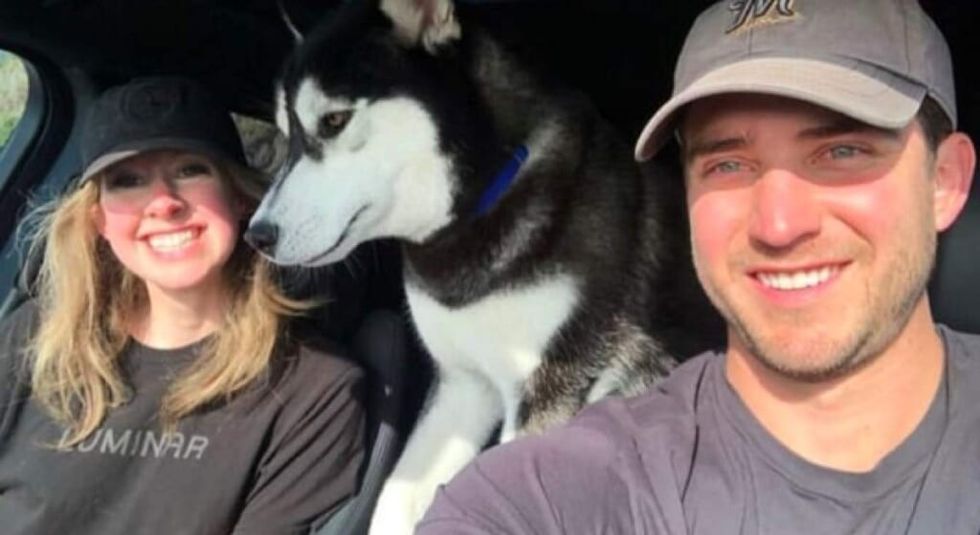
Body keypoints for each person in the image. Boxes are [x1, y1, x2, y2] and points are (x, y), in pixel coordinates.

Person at [416, 0, 979, 533]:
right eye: (729, 163)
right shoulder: (558, 492)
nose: (778, 225)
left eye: (841, 152)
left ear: (944, 181)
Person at [0, 76, 366, 534]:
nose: (164, 204)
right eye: (127, 181)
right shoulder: (32, 336)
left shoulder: (315, 392)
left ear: (239, 198)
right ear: (98, 221)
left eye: (191, 170)